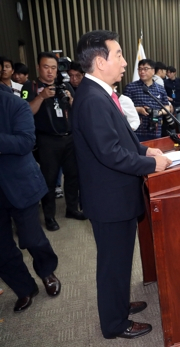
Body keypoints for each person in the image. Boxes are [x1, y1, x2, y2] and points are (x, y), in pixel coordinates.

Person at [72, 29, 172, 340]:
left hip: (115, 196)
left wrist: (145, 150)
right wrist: (150, 163)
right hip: (109, 200)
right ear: (100, 62)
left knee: (118, 260)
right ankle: (114, 324)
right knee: (112, 264)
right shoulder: (92, 99)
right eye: (119, 55)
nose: (126, 62)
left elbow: (121, 140)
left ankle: (118, 305)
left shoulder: (101, 93)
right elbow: (109, 153)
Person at [0, 57, 61, 313]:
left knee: (32, 238)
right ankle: (24, 288)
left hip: (19, 184)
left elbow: (25, 142)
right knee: (2, 250)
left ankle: (47, 272)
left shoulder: (14, 103)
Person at [22, 52, 85, 231]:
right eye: (46, 67)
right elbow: (26, 112)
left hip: (69, 137)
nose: (50, 72)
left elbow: (77, 111)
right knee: (49, 179)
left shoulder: (65, 85)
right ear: (38, 68)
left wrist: (71, 99)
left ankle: (72, 208)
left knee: (73, 175)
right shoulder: (30, 86)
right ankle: (49, 216)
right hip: (47, 140)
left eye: (53, 68)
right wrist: (41, 97)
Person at [123, 59, 172, 141]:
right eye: (140, 69)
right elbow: (123, 108)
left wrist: (159, 112)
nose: (142, 72)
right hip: (137, 131)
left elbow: (167, 107)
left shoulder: (160, 88)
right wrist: (138, 109)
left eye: (145, 69)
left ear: (153, 71)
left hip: (155, 130)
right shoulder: (130, 87)